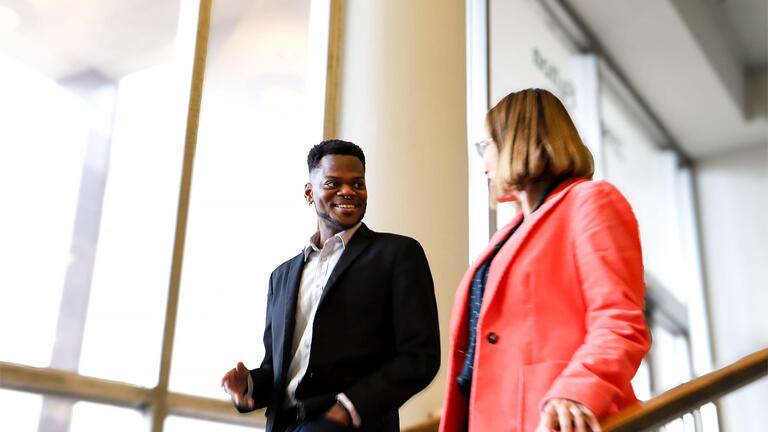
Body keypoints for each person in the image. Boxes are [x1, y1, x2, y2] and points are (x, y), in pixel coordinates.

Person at [440, 89, 651, 432]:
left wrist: (577, 391)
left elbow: (619, 322)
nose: (484, 165)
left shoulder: (590, 202)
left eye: (486, 147)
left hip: (555, 418)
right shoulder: (508, 235)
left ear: (515, 142)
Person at [222, 140, 441, 432]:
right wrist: (247, 385)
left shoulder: (398, 254)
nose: (348, 191)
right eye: (333, 183)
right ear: (309, 193)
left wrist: (349, 408)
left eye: (358, 183)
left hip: (352, 425)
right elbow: (278, 369)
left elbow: (420, 356)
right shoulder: (281, 277)